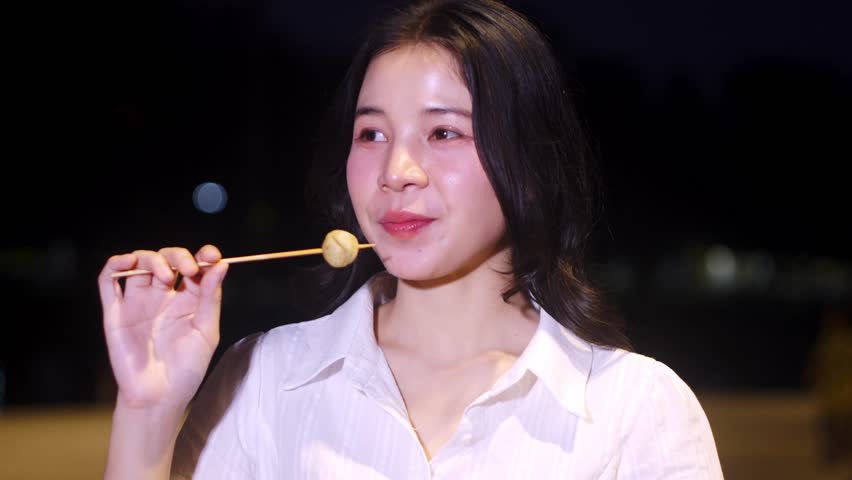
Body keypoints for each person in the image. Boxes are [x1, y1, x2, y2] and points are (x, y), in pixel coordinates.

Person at [99, 0, 724, 478]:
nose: (396, 171)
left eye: (444, 133)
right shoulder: (262, 379)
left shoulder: (637, 410)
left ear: (530, 167)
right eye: (371, 134)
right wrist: (148, 412)